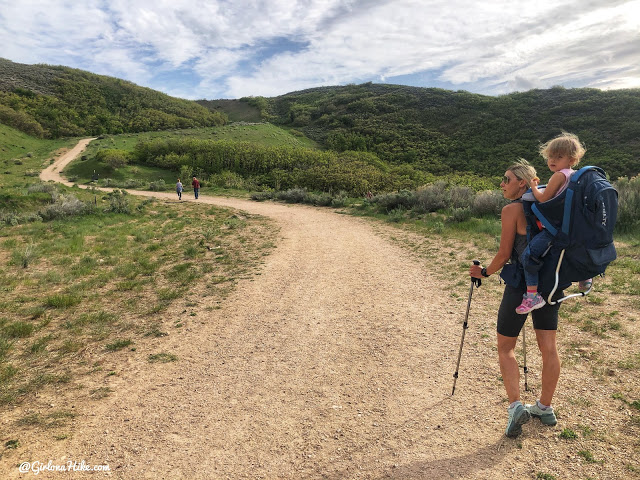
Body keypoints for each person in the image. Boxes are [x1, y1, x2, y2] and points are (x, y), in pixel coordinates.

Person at [470, 159, 562, 438]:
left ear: (522, 182)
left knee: (505, 347)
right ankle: (544, 407)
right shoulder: (550, 205)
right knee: (548, 347)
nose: (502, 183)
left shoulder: (511, 210)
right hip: (550, 286)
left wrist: (483, 272)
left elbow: (503, 254)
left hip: (521, 287)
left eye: (506, 179)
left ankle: (515, 407)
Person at [516, 133, 590, 314]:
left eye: (559, 157)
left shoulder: (559, 176)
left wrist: (533, 187)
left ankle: (533, 296)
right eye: (550, 156)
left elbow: (543, 198)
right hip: (572, 227)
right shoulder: (575, 176)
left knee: (528, 256)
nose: (552, 160)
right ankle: (586, 276)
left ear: (571, 160)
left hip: (555, 228)